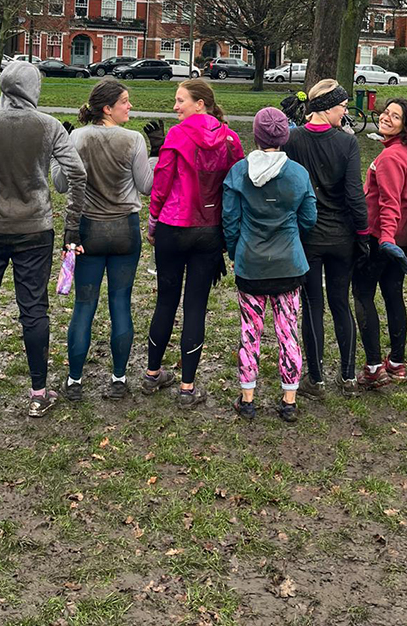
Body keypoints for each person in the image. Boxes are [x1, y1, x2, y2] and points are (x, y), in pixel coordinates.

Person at [0, 61, 87, 417]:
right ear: (33, 89)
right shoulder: (49, 126)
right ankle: (39, 392)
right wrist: (73, 224)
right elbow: (77, 174)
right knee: (34, 310)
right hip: (34, 229)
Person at [51, 79, 157, 401]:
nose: (130, 106)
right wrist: (158, 152)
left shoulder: (77, 137)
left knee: (84, 306)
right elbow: (147, 186)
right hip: (125, 231)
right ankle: (119, 379)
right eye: (125, 101)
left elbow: (59, 184)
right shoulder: (134, 140)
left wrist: (59, 154)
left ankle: (74, 382)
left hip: (87, 232)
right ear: (107, 108)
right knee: (120, 304)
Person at [145, 79, 244, 407]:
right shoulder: (230, 139)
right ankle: (187, 388)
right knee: (195, 306)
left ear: (200, 103)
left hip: (174, 225)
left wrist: (153, 219)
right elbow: (235, 188)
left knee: (166, 301)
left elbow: (161, 181)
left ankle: (152, 373)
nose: (175, 107)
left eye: (180, 100)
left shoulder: (177, 135)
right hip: (208, 230)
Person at [223, 107, 316, 422]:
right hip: (289, 265)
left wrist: (236, 252)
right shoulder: (299, 174)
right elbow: (309, 217)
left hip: (250, 264)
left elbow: (230, 220)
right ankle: (288, 400)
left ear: (257, 135)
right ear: (285, 136)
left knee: (250, 331)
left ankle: (247, 398)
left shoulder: (238, 172)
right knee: (288, 331)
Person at [282, 79, 368, 398]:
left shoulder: (292, 140)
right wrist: (363, 233)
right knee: (340, 302)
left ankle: (315, 378)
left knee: (312, 306)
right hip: (342, 235)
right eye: (343, 108)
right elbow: (354, 195)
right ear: (328, 108)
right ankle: (347, 376)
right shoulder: (347, 144)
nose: (345, 114)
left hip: (307, 236)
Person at [352, 98, 407, 387]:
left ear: (406, 125)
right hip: (402, 238)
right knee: (393, 294)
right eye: (385, 112)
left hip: (381, 239)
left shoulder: (391, 158)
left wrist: (385, 240)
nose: (386, 118)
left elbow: (390, 203)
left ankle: (373, 368)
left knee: (363, 294)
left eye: (395, 116)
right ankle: (396, 362)